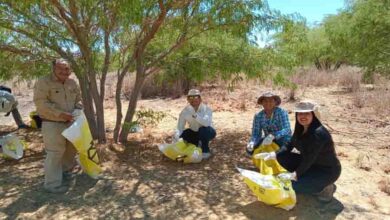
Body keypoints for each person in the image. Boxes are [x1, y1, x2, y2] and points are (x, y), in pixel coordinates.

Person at [255, 100, 341, 202]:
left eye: (307, 113)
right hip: (312, 165)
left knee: (294, 186)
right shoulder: (300, 129)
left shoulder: (318, 133)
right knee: (282, 157)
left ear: (313, 115)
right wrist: (273, 154)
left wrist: (294, 175)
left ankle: (325, 188)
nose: (302, 116)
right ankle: (307, 178)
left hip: (326, 171)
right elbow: (288, 145)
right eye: (300, 113)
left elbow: (309, 158)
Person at [33, 58, 83, 193]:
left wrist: (77, 110)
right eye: (60, 68)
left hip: (71, 122)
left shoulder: (72, 83)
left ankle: (65, 173)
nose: (64, 71)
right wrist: (61, 114)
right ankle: (52, 184)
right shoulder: (43, 82)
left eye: (67, 69)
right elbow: (41, 103)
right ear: (53, 69)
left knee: (70, 150)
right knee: (55, 153)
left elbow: (79, 99)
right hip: (52, 123)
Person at [174, 89, 216, 160]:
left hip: (208, 131)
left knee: (203, 130)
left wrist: (195, 115)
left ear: (200, 98)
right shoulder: (185, 111)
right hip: (195, 132)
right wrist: (176, 137)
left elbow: (206, 123)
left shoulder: (206, 109)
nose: (193, 99)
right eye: (190, 97)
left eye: (196, 97)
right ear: (188, 99)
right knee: (185, 134)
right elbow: (180, 127)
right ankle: (197, 145)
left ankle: (206, 151)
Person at [246, 91, 292, 155]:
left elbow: (287, 129)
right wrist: (252, 142)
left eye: (271, 101)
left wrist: (273, 136)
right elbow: (256, 133)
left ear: (275, 102)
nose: (268, 103)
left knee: (282, 151)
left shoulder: (281, 112)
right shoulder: (258, 116)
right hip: (267, 140)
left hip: (282, 139)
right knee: (250, 150)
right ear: (262, 103)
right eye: (265, 101)